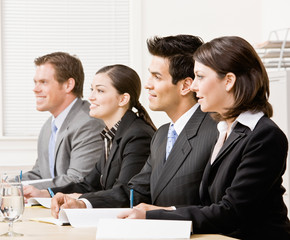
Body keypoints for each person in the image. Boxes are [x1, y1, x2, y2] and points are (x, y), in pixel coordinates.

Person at [119, 36, 290, 239]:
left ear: (228, 81)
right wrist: (159, 211)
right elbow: (210, 206)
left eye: (200, 77)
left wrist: (155, 216)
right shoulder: (225, 130)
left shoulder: (264, 136)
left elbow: (231, 211)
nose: (193, 86)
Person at [50, 35, 218, 218]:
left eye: (157, 77)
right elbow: (135, 191)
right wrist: (83, 204)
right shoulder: (162, 135)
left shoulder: (216, 131)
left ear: (186, 86)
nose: (147, 85)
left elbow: (220, 209)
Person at [23, 64, 156, 199]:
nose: (91, 97)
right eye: (92, 89)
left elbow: (126, 194)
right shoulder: (110, 135)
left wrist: (82, 201)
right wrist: (45, 193)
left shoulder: (137, 135)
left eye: (100, 91)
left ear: (122, 99)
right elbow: (88, 185)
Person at [0, 52, 104, 202]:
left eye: (43, 82)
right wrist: (9, 184)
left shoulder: (89, 123)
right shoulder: (49, 126)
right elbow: (40, 173)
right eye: (35, 82)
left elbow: (77, 180)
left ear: (68, 85)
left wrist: (17, 188)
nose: (35, 89)